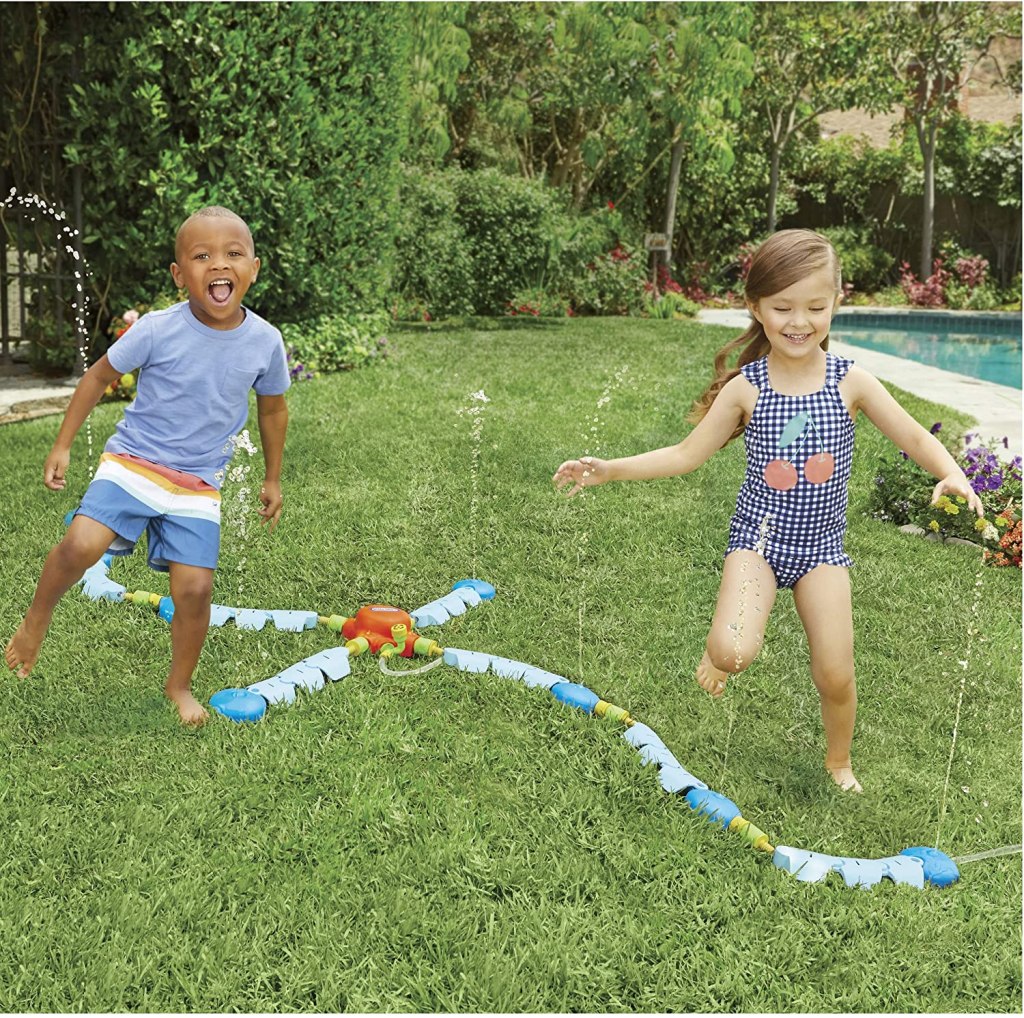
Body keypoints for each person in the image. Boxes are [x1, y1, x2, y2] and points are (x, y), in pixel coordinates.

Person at [553, 229, 982, 792]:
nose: (798, 321)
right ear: (756, 307)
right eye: (782, 307)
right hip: (758, 544)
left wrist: (951, 472)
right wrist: (609, 468)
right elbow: (685, 455)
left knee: (835, 672)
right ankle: (718, 655)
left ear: (835, 305)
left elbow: (913, 436)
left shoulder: (850, 380)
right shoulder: (746, 388)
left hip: (823, 552)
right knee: (732, 652)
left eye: (815, 307)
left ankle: (838, 763)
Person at [5, 206, 290, 725]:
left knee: (195, 590)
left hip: (199, 483)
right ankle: (35, 621)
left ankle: (178, 686)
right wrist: (63, 444)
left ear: (254, 267)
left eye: (232, 254)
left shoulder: (265, 341)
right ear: (180, 275)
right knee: (81, 545)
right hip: (135, 462)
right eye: (201, 256)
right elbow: (96, 377)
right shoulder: (159, 329)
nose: (218, 265)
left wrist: (271, 477)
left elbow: (272, 407)